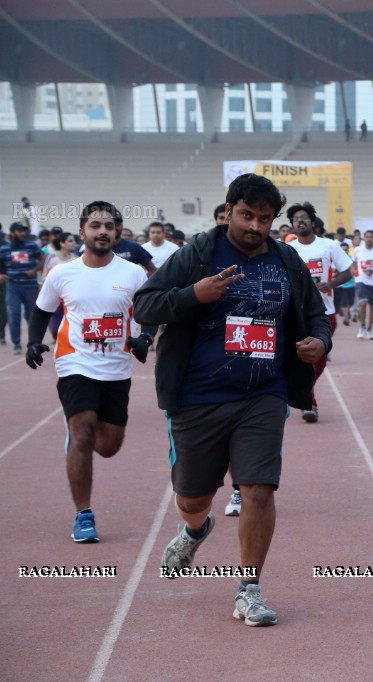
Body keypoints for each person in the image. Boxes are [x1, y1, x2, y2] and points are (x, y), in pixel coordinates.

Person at [134, 173, 331, 627]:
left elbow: (316, 315)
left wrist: (318, 342)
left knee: (258, 489)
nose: (256, 227)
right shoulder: (198, 254)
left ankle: (249, 589)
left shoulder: (286, 260)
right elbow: (145, 305)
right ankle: (195, 528)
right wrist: (192, 295)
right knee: (193, 495)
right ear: (228, 212)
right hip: (198, 395)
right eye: (247, 216)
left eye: (265, 219)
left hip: (263, 392)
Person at [25, 201, 149, 542]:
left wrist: (145, 338)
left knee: (109, 445)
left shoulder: (132, 273)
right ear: (82, 232)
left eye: (109, 226)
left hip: (116, 367)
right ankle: (83, 515)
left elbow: (149, 312)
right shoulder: (62, 274)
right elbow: (40, 311)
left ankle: (79, 441)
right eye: (95, 225)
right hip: (74, 362)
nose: (103, 231)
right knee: (81, 431)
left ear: (118, 233)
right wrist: (35, 341)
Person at [287, 201, 354, 421]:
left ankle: (304, 391)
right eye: (296, 219)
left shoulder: (329, 246)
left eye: (304, 217)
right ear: (292, 225)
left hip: (325, 312)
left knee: (319, 357)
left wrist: (330, 285)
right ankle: (309, 403)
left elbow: (347, 271)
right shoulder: (289, 250)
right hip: (296, 314)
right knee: (303, 358)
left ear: (313, 222)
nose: (300, 221)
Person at [0, 222, 44, 353]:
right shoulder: (4, 249)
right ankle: (17, 343)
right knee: (14, 313)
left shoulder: (31, 246)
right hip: (13, 286)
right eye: (19, 231)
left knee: (31, 315)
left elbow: (43, 258)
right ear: (12, 233)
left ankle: (33, 343)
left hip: (30, 286)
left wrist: (35, 270)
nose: (23, 233)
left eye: (24, 231)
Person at [42, 231, 81, 341]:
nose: (74, 243)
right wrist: (55, 282)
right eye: (70, 241)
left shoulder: (76, 259)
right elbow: (44, 276)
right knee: (55, 329)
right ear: (62, 244)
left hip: (73, 297)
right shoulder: (52, 258)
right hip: (56, 296)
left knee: (74, 324)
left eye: (74, 241)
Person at [353, 229, 373, 339]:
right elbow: (352, 263)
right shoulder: (358, 250)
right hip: (361, 280)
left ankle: (369, 329)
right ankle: (362, 327)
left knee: (372, 307)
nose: (369, 239)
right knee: (363, 302)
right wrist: (353, 271)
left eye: (371, 237)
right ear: (364, 238)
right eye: (367, 237)